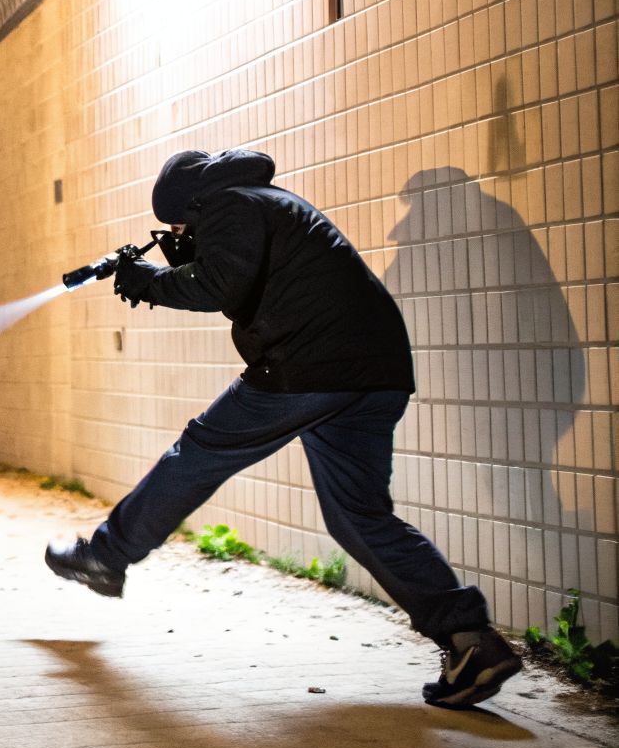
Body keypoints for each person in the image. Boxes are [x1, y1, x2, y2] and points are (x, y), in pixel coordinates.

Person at [43, 148, 521, 709]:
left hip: (308, 367)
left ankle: (107, 556)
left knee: (198, 453)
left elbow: (218, 284)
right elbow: (238, 274)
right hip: (374, 371)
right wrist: (172, 264)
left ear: (192, 205)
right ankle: (472, 641)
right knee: (360, 515)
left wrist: (150, 281)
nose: (177, 235)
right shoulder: (269, 202)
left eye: (177, 225)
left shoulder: (232, 206)